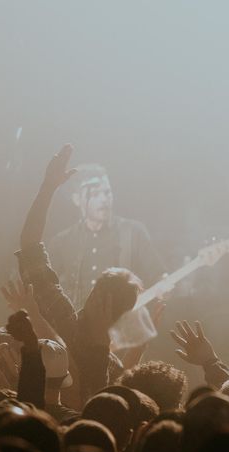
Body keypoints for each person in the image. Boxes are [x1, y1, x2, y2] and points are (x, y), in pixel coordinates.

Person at [17, 145, 142, 399]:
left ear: (113, 316)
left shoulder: (110, 371)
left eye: (97, 301)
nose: (87, 304)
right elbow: (31, 247)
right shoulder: (64, 316)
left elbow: (93, 408)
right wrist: (48, 188)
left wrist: (100, 346)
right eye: (94, 294)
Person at [47, 163, 164, 306]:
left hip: (123, 326)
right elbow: (46, 288)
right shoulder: (61, 241)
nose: (104, 199)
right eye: (95, 194)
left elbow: (159, 276)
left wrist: (165, 286)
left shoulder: (133, 232)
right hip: (78, 327)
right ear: (77, 200)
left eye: (107, 192)